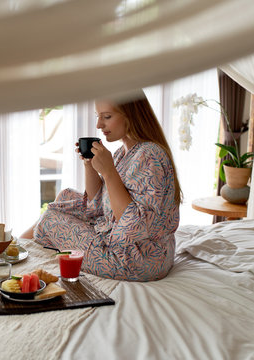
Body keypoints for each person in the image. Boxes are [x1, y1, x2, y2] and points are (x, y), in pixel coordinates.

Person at [21, 90, 182, 281]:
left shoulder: (149, 156)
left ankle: (14, 247)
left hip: (137, 259)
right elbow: (98, 203)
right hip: (125, 243)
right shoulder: (123, 153)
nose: (99, 125)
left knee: (50, 219)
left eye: (107, 116)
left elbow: (135, 227)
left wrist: (108, 172)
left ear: (131, 115)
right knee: (66, 195)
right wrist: (89, 164)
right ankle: (16, 245)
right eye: (98, 117)